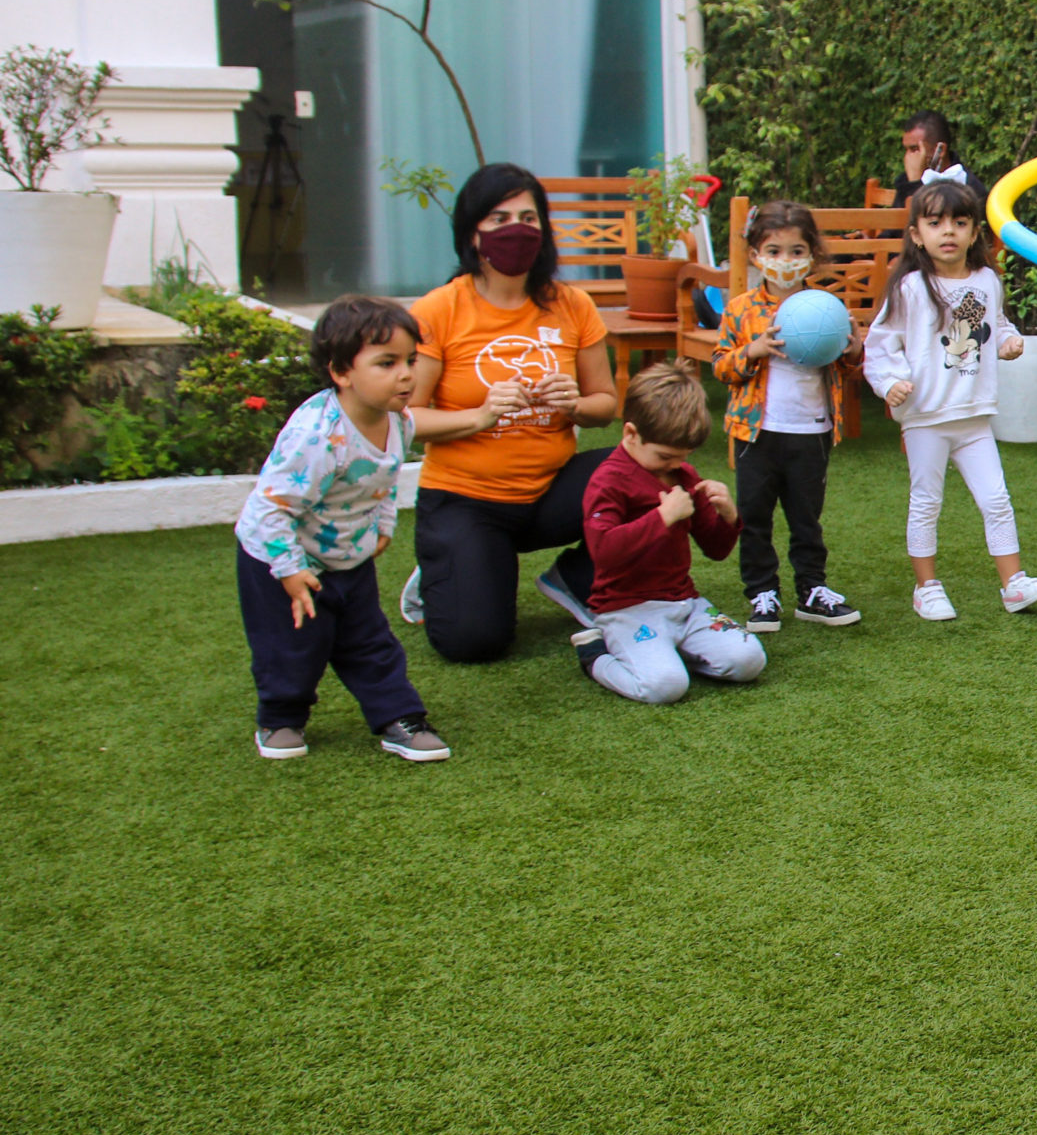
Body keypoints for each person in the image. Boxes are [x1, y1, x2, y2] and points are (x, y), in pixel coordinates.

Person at [398, 164, 620, 663]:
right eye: (498, 218)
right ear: (473, 234)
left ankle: (574, 578)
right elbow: (406, 420)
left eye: (527, 217)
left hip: (549, 491)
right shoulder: (438, 310)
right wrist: (477, 417)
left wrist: (574, 405)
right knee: (474, 643)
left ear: (543, 230)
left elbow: (605, 406)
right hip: (465, 500)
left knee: (651, 472)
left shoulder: (572, 305)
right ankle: (445, 565)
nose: (515, 230)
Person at [234, 295, 449, 764]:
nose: (407, 374)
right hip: (279, 556)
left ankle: (400, 716)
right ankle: (280, 717)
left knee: (369, 639)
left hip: (346, 553)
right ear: (340, 372)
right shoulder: (318, 436)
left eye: (410, 360)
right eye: (386, 362)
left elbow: (387, 476)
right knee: (292, 645)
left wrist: (383, 525)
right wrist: (289, 571)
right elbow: (270, 509)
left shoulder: (398, 419)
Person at [863, 178, 1037, 621]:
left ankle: (1014, 585)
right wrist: (889, 382)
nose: (947, 231)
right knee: (926, 501)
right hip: (926, 417)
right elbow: (879, 346)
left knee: (996, 499)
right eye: (935, 223)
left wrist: (1009, 341)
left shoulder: (988, 281)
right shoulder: (911, 288)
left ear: (974, 233)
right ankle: (926, 588)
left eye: (959, 222)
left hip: (974, 416)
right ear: (916, 234)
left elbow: (998, 323)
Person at [568, 360, 766, 704]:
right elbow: (604, 551)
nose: (675, 465)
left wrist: (729, 515)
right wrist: (662, 518)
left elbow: (716, 549)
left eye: (683, 456)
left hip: (685, 604)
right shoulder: (608, 480)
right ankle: (595, 656)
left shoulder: (683, 474)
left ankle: (670, 654)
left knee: (749, 661)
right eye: (665, 456)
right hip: (625, 609)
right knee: (666, 688)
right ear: (631, 434)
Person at [712, 199, 862, 631]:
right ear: (756, 255)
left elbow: (848, 369)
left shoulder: (826, 308)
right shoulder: (740, 309)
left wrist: (852, 350)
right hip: (755, 432)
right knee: (754, 516)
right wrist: (753, 351)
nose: (784, 261)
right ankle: (762, 594)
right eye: (773, 251)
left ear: (812, 255)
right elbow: (721, 366)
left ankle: (812, 590)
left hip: (811, 430)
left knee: (806, 517)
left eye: (796, 251)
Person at [892, 111, 970, 206]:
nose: (908, 157)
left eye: (915, 149)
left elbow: (929, 218)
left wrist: (915, 185)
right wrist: (912, 183)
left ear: (940, 150)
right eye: (906, 150)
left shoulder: (968, 185)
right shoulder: (906, 182)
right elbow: (898, 219)